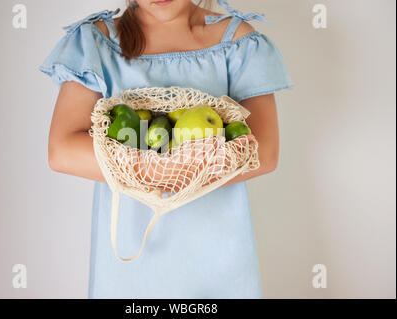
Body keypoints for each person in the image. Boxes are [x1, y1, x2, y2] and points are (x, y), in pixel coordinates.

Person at [40, 0, 293, 298]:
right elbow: (63, 149)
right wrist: (173, 171)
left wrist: (154, 169)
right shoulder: (97, 42)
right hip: (132, 254)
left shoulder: (237, 41)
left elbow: (264, 152)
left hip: (217, 251)